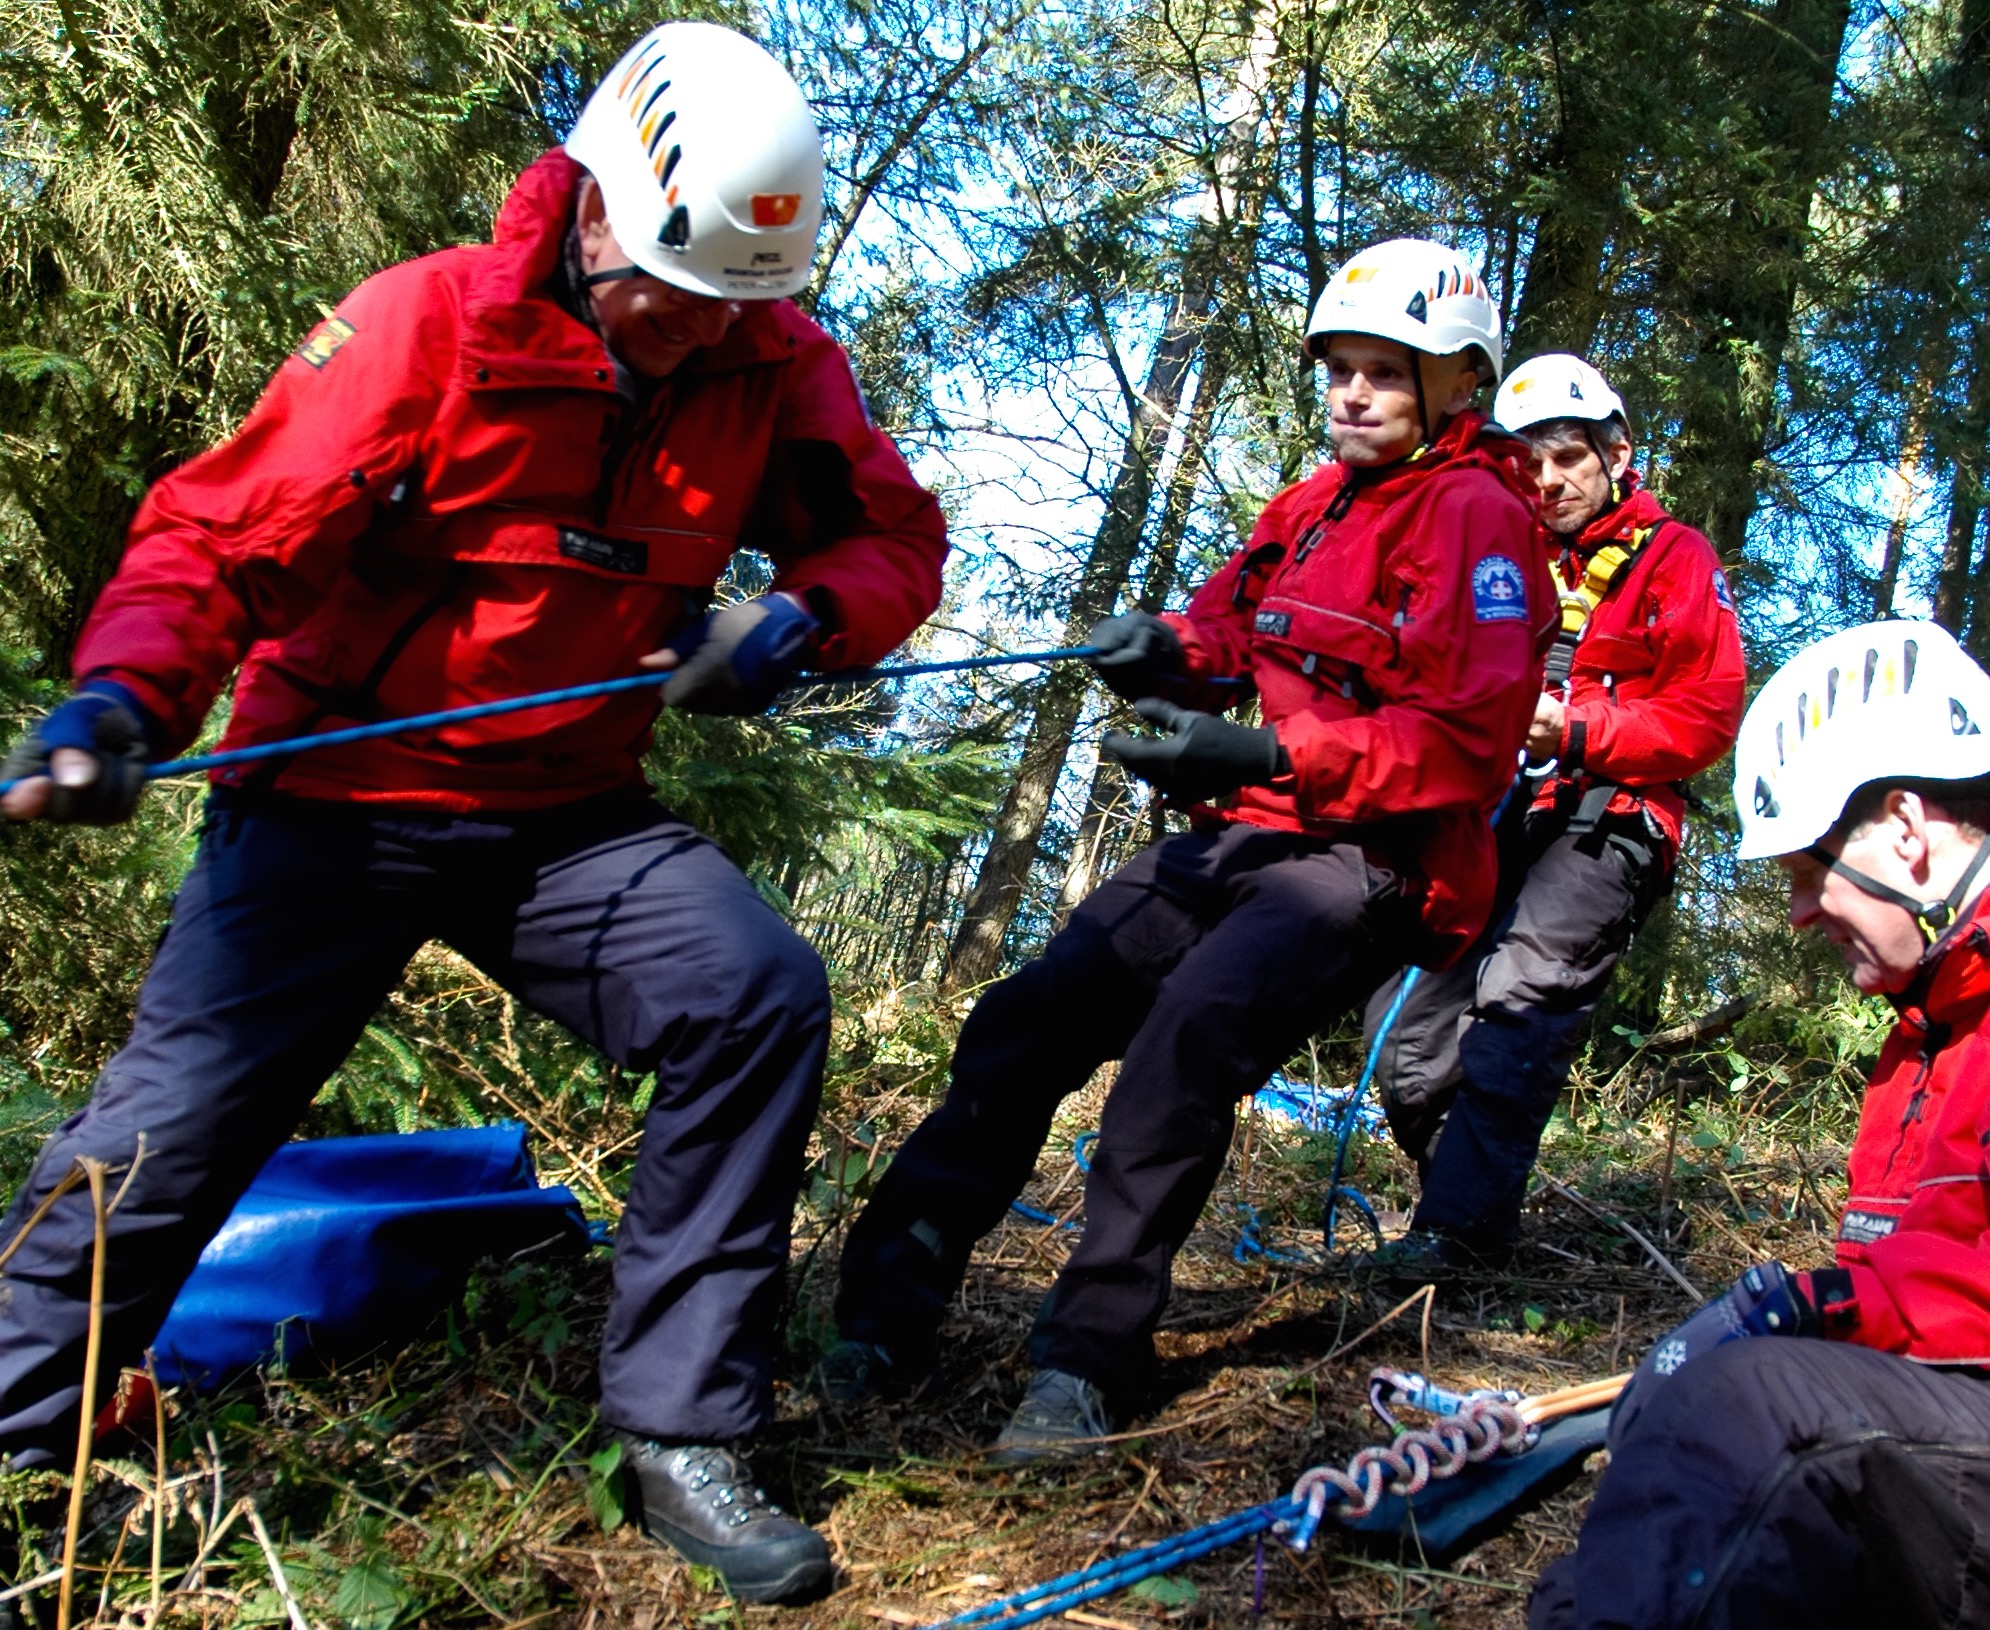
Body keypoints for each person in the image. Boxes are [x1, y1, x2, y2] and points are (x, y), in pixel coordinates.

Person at [0, 21, 946, 1606]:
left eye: (729, 302)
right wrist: (124, 703)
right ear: (591, 209)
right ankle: (19, 1439)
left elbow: (890, 538)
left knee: (754, 992)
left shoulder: (764, 357)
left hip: (566, 811)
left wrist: (803, 623)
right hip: (330, 800)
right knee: (160, 1137)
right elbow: (215, 544)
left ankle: (681, 1434)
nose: (690, 330)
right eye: (670, 288)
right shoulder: (423, 325)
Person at [826, 239, 1555, 1461]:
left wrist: (1267, 755)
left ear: (1455, 388)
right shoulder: (1309, 506)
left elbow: (1466, 746)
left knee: (1185, 1040)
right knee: (1031, 1016)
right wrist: (1158, 646)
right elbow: (1226, 626)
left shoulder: (1481, 519)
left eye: (1387, 373)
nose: (1354, 395)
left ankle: (1084, 1357)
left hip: (1367, 859)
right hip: (1244, 831)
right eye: (1341, 369)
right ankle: (882, 1309)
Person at [1532, 619, 1990, 1629]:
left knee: (1756, 1410)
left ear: (1904, 829)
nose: (1792, 913)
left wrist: (1813, 1309)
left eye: (1803, 869)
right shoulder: (1923, 1039)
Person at [1358, 353, 1744, 1274]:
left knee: (1520, 991)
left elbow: (1706, 713)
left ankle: (1455, 1234)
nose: (1549, 480)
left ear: (1616, 454)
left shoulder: (1674, 557)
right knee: (1403, 1028)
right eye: (1529, 461)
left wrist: (1573, 727)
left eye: (1569, 456)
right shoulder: (1500, 562)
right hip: (1492, 811)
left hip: (1612, 813)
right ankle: (1473, 1213)